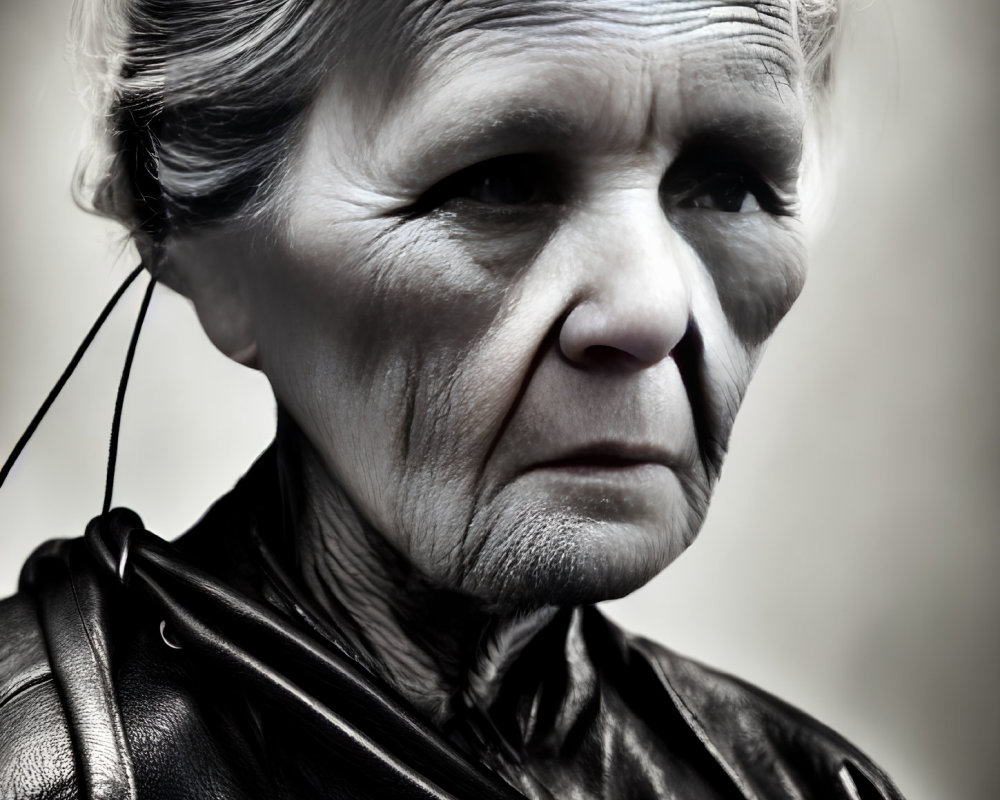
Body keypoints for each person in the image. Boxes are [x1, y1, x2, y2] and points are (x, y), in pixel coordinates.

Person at [0, 1, 906, 798]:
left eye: (727, 183)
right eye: (499, 182)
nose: (653, 310)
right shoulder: (44, 766)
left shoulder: (802, 784)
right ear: (210, 247)